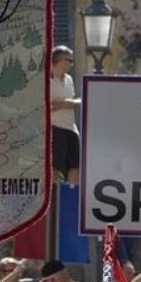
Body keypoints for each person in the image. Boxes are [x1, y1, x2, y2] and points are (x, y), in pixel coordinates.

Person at [50, 45, 81, 187]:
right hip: (55, 128)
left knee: (75, 165)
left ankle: (72, 194)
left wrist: (68, 103)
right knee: (55, 167)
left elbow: (75, 99)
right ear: (60, 60)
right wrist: (63, 104)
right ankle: (53, 198)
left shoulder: (69, 79)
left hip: (71, 128)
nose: (71, 64)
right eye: (69, 60)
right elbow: (45, 106)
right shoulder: (47, 80)